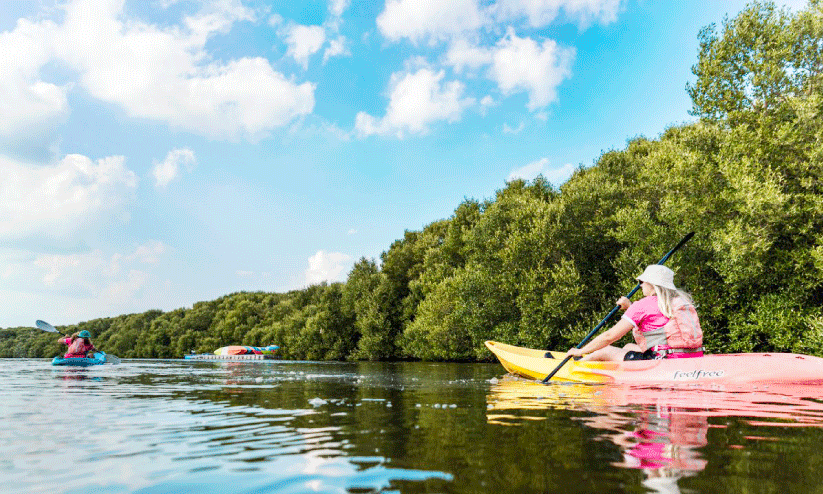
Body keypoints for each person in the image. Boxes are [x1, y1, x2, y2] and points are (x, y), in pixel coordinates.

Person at [566, 265, 703, 362]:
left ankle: (578, 363)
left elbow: (609, 336)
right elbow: (657, 321)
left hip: (662, 361)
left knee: (605, 351)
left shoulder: (643, 305)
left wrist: (580, 350)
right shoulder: (680, 301)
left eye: (641, 282)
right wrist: (630, 307)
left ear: (651, 284)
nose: (640, 285)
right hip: (690, 357)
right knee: (628, 347)